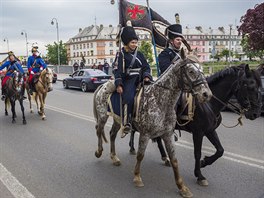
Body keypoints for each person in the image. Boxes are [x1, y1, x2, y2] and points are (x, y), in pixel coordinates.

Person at [114, 24, 152, 137]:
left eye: (136, 42)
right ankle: (127, 122)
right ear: (126, 43)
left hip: (141, 79)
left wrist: (146, 76)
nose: (135, 45)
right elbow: (117, 70)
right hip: (129, 80)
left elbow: (146, 66)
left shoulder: (139, 54)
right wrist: (119, 84)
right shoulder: (120, 55)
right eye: (132, 42)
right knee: (129, 97)